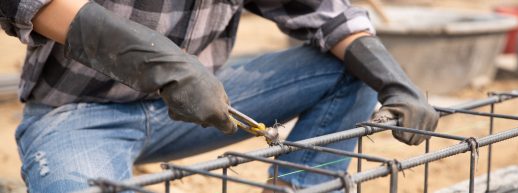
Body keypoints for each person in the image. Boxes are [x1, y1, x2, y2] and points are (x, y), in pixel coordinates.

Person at [0, 0, 439, 192]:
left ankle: (303, 189)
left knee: (350, 71)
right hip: (80, 113)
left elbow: (325, 13)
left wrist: (392, 78)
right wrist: (162, 65)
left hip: (202, 103)